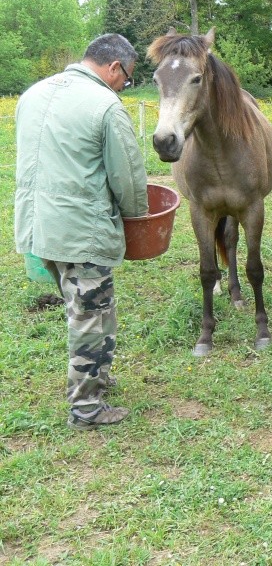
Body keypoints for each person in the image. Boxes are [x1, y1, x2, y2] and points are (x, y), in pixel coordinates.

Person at [15, 34, 149, 430]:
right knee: (90, 316)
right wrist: (138, 216)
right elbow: (127, 176)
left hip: (39, 227)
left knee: (87, 309)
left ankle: (96, 377)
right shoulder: (105, 105)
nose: (126, 84)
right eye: (127, 77)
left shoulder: (33, 94)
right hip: (81, 230)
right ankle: (86, 408)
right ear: (113, 68)